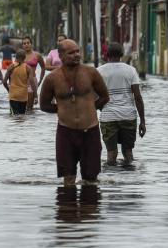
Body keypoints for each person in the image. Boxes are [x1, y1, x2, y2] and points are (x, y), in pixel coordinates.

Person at [39, 39, 109, 187]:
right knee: (68, 179)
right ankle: (68, 208)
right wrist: (63, 109)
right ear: (61, 55)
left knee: (91, 179)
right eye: (71, 53)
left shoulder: (91, 73)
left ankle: (88, 208)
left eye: (78, 51)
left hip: (90, 131)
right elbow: (44, 105)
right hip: (66, 132)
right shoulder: (52, 78)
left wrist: (90, 107)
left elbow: (105, 96)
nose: (76, 55)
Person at [98, 42, 147, 166]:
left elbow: (94, 97)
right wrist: (142, 121)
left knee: (111, 154)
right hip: (128, 116)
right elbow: (138, 97)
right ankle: (128, 180)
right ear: (122, 54)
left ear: (106, 54)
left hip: (108, 117)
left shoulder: (99, 71)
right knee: (128, 153)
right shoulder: (131, 70)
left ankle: (111, 179)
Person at [3, 49, 36, 115]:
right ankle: (22, 126)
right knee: (22, 116)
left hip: (13, 95)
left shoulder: (11, 66)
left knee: (14, 116)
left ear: (16, 57)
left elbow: (4, 82)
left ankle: (16, 125)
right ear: (24, 58)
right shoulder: (28, 68)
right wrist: (36, 96)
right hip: (23, 96)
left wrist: (8, 90)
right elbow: (32, 83)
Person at [22, 35, 46, 109]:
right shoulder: (20, 55)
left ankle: (31, 120)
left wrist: (40, 80)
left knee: (29, 106)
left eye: (28, 43)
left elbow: (43, 67)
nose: (26, 45)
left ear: (31, 44)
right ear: (22, 45)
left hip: (32, 81)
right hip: (22, 81)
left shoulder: (37, 55)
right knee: (22, 105)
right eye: (24, 43)